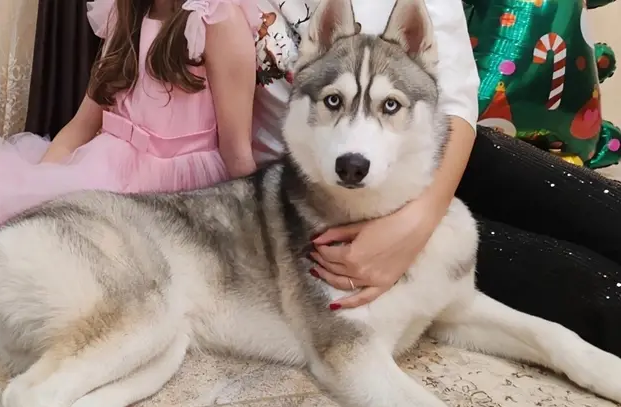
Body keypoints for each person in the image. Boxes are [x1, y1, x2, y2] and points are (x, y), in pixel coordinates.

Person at [253, 0, 621, 355]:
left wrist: (420, 220)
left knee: (603, 210)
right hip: (333, 192)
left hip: (445, 150)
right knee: (587, 285)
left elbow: (458, 97)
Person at [0, 0, 261, 305]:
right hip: (108, 167)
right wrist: (36, 186)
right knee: (2, 228)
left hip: (172, 194)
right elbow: (81, 125)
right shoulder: (127, 15)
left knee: (86, 279)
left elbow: (236, 151)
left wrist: (257, 239)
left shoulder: (217, 20)